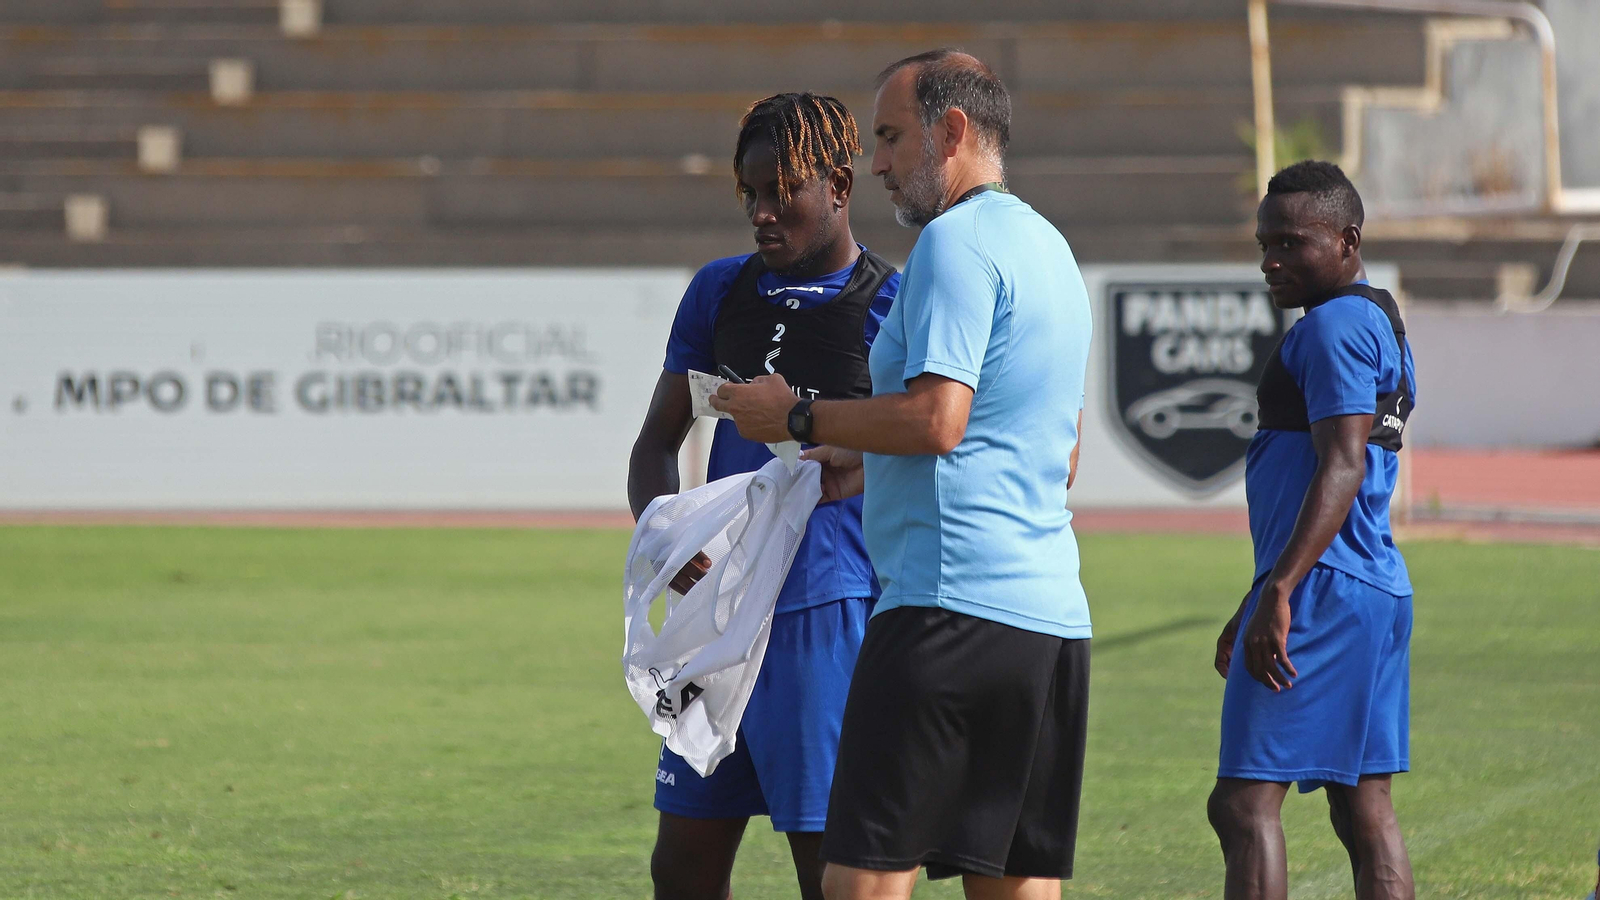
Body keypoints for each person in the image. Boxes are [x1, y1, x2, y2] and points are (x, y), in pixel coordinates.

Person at [711, 50, 1091, 900]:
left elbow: (936, 419)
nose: (875, 162)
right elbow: (1055, 450)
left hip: (943, 614)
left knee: (863, 885)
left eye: (889, 137)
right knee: (1017, 886)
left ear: (950, 132)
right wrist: (864, 464)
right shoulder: (1051, 248)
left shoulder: (954, 245)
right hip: (1050, 622)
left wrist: (797, 419)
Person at [626, 91, 900, 900]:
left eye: (783, 191)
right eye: (751, 194)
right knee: (681, 863)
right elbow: (655, 444)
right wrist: (671, 544)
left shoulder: (892, 302)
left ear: (840, 188)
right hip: (720, 618)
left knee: (828, 869)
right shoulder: (718, 292)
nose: (763, 212)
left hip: (829, 610)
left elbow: (925, 450)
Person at [1207, 160, 1418, 900]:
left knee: (1242, 805)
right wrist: (1259, 592)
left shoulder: (1331, 328)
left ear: (1348, 240)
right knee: (1362, 804)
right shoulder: (1377, 316)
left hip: (1324, 591)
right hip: (1367, 585)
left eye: (1293, 244)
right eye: (1265, 242)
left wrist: (1282, 590)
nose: (1271, 260)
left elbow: (1341, 466)